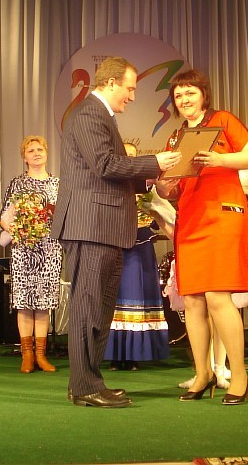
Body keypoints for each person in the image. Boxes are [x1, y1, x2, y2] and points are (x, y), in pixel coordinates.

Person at [51, 56, 181, 408]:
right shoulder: (90, 113)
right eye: (130, 88)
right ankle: (84, 387)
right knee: (89, 308)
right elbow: (105, 164)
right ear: (110, 83)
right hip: (91, 225)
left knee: (99, 308)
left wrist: (150, 179)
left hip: (102, 226)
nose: (132, 96)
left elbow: (109, 170)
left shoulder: (98, 114)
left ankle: (88, 381)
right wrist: (154, 163)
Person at [155, 69, 248, 405]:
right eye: (178, 95)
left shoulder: (223, 120)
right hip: (190, 219)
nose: (184, 100)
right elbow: (170, 188)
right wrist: (163, 184)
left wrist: (218, 159)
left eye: (190, 93)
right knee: (193, 301)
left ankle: (239, 375)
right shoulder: (175, 138)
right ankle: (203, 374)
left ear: (203, 94)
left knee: (217, 295)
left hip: (223, 214)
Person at [0, 135, 63, 373]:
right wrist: (18, 230)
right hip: (24, 248)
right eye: (31, 151)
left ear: (46, 153)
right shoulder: (17, 183)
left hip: (49, 248)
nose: (36, 153)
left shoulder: (57, 184)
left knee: (43, 303)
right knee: (24, 302)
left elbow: (64, 215)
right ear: (24, 158)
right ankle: (26, 355)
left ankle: (41, 355)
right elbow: (3, 217)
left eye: (39, 149)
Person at [104, 142, 170, 371]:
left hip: (140, 246)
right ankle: (115, 354)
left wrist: (154, 214)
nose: (131, 159)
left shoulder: (147, 187)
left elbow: (161, 215)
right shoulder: (111, 184)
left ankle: (134, 354)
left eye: (134, 156)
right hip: (115, 245)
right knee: (116, 296)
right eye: (126, 156)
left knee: (138, 294)